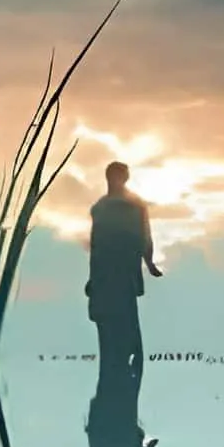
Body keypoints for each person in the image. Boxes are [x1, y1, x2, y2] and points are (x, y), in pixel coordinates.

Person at [84, 158, 160, 389]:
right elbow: (96, 245)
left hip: (121, 273)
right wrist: (93, 278)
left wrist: (149, 262)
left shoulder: (133, 206)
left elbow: (145, 237)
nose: (115, 182)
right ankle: (113, 385)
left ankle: (123, 382)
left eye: (118, 177)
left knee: (125, 325)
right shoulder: (103, 207)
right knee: (109, 325)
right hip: (107, 274)